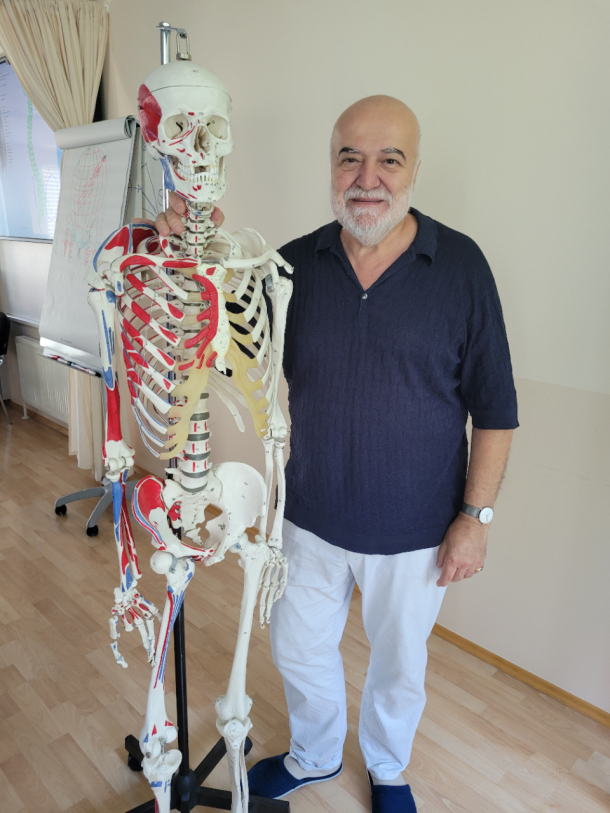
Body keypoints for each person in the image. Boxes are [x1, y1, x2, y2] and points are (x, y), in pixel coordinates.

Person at [156, 95, 518, 813]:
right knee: (298, 650)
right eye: (350, 157)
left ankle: (387, 769)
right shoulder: (292, 265)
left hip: (416, 529)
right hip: (309, 517)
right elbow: (224, 358)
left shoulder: (461, 267)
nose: (367, 177)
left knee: (399, 664)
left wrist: (475, 518)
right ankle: (314, 754)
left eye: (390, 159)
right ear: (331, 165)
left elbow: (497, 410)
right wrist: (188, 251)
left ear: (414, 169)